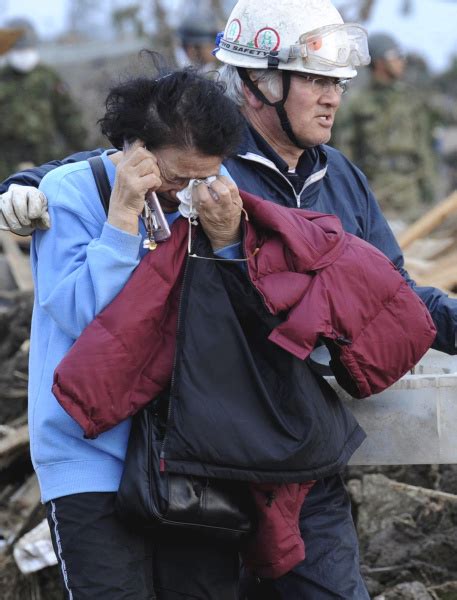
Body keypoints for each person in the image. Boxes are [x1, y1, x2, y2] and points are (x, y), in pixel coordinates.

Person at [1, 0, 457, 597]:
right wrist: (26, 185)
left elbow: (389, 296)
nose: (333, 98)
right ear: (260, 84)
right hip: (207, 455)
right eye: (316, 80)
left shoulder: (340, 179)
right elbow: (116, 168)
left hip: (299, 446)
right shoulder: (205, 165)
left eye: (339, 83)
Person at [25, 67, 248, 599]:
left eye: (202, 177)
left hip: (191, 456)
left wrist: (229, 245)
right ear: (135, 150)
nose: (183, 195)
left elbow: (235, 321)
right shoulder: (74, 192)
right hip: (88, 457)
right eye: (173, 180)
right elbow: (83, 319)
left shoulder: (211, 197)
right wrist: (123, 217)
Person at [333, 32, 438, 221]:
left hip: (410, 196)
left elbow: (424, 151)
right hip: (374, 196)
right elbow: (343, 154)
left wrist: (432, 195)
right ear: (380, 62)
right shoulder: (355, 104)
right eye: (395, 56)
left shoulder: (412, 101)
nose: (401, 61)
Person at [0, 18, 87, 181]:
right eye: (18, 48)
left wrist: (89, 156)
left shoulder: (48, 77)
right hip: (6, 165)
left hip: (46, 161)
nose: (23, 54)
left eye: (26, 47)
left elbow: (69, 118)